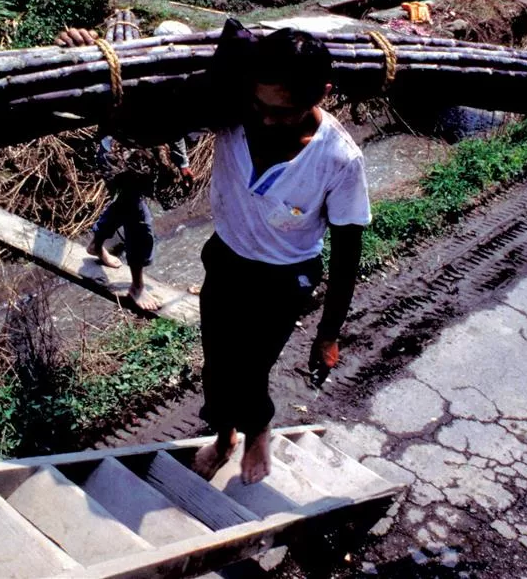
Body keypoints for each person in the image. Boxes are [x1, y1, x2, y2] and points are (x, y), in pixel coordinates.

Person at [188, 24, 371, 484]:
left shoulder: (338, 159)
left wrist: (328, 334)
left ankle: (258, 431)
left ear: (321, 94)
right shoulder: (233, 113)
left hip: (283, 280)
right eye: (261, 106)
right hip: (226, 260)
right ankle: (225, 436)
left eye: (284, 112)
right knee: (217, 363)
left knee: (251, 368)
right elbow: (146, 113)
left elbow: (347, 255)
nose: (268, 121)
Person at [54, 27, 193, 311]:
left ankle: (96, 245)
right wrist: (72, 48)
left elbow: (175, 126)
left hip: (139, 159)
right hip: (117, 157)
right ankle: (137, 286)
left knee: (125, 205)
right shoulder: (128, 74)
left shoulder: (173, 86)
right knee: (139, 222)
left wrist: (183, 163)